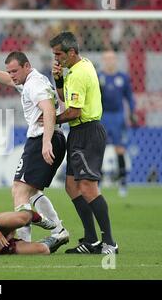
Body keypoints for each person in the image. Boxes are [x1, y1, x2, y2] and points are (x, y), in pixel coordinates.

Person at [0, 52, 69, 247]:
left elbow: (48, 109)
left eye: (15, 70)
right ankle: (58, 230)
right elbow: (9, 80)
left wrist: (46, 142)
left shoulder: (34, 84)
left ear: (26, 66)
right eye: (10, 71)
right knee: (30, 191)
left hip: (43, 138)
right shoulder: (32, 79)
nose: (12, 75)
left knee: (19, 190)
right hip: (49, 137)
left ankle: (24, 241)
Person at [50, 31, 118, 254]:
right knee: (71, 186)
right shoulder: (80, 65)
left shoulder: (79, 74)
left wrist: (51, 120)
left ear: (71, 52)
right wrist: (59, 78)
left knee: (88, 187)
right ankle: (90, 240)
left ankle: (109, 242)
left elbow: (74, 111)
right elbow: (63, 98)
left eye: (59, 54)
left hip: (87, 132)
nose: (56, 59)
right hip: (79, 133)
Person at [98, 50, 136, 197]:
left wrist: (132, 112)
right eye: (107, 59)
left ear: (116, 61)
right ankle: (98, 184)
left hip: (118, 117)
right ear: (103, 60)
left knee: (120, 149)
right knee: (99, 149)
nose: (110, 61)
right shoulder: (98, 77)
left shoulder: (123, 77)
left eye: (112, 59)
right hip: (103, 116)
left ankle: (123, 183)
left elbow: (129, 97)